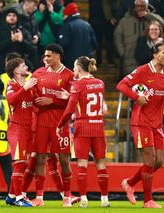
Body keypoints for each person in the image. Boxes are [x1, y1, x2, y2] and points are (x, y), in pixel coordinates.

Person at [116, 42, 164, 208]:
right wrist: (136, 97)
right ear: (155, 55)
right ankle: (147, 200)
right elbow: (121, 85)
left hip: (156, 123)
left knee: (159, 162)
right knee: (150, 159)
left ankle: (129, 183)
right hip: (141, 121)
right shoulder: (143, 70)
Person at [56, 56, 110, 208]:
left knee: (82, 165)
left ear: (79, 68)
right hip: (99, 127)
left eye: (74, 67)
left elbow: (69, 109)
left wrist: (60, 125)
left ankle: (84, 198)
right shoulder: (100, 83)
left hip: (83, 127)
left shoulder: (77, 85)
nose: (73, 70)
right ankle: (105, 199)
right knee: (101, 164)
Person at [31, 43, 74, 207]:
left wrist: (53, 101)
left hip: (59, 124)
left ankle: (67, 197)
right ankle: (39, 198)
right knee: (40, 159)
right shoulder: (38, 73)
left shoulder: (69, 75)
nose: (46, 58)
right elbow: (31, 94)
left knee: (63, 160)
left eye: (49, 55)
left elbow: (73, 101)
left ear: (58, 56)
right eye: (45, 55)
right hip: (42, 123)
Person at [5, 58, 37, 207]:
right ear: (16, 71)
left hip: (28, 129)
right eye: (23, 65)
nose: (27, 67)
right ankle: (19, 198)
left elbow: (35, 104)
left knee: (24, 164)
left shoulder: (29, 85)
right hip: (16, 129)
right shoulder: (11, 85)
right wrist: (25, 88)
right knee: (19, 164)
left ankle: (11, 195)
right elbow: (11, 100)